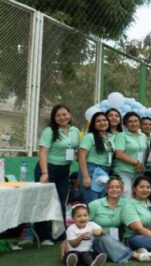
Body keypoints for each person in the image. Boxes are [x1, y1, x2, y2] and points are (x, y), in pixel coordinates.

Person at [35, 104, 79, 244]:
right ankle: (43, 236)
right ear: (54, 118)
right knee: (44, 202)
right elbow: (42, 152)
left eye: (64, 114)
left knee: (61, 202)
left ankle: (59, 234)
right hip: (48, 169)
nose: (62, 117)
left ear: (70, 115)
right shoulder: (49, 131)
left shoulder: (75, 131)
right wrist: (44, 172)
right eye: (58, 115)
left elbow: (76, 150)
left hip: (64, 170)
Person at [87, 177, 151, 263]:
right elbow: (84, 223)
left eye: (118, 187)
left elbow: (137, 217)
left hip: (118, 239)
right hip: (98, 239)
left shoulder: (127, 203)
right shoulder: (94, 205)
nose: (114, 189)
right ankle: (136, 255)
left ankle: (132, 250)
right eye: (111, 187)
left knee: (128, 240)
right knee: (102, 239)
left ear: (122, 190)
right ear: (106, 189)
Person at [79, 112, 116, 203]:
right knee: (93, 203)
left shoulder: (111, 137)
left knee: (100, 202)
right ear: (94, 125)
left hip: (105, 171)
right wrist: (86, 177)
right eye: (98, 121)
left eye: (104, 120)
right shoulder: (89, 137)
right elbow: (81, 156)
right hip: (91, 171)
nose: (102, 123)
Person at [113, 112, 148, 199]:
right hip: (123, 171)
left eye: (136, 121)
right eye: (130, 122)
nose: (134, 123)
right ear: (125, 124)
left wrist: (142, 165)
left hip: (139, 172)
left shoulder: (143, 136)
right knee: (126, 196)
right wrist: (137, 162)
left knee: (138, 198)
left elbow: (145, 152)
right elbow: (119, 154)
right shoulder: (121, 136)